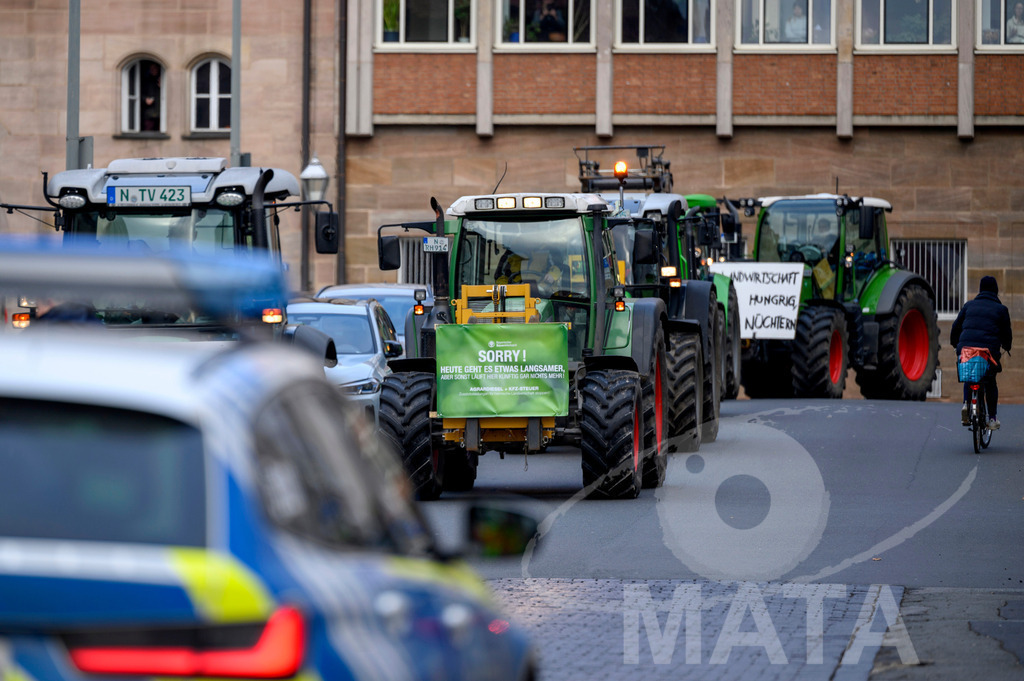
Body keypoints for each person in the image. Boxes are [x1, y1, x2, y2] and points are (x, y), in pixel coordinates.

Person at [950, 275, 1012, 430]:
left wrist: (955, 344)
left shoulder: (968, 306)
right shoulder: (1001, 310)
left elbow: (956, 328)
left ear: (980, 290)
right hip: (987, 352)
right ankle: (992, 419)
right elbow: (1006, 334)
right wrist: (1007, 346)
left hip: (966, 348)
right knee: (990, 381)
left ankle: (966, 404)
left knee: (969, 374)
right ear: (995, 291)